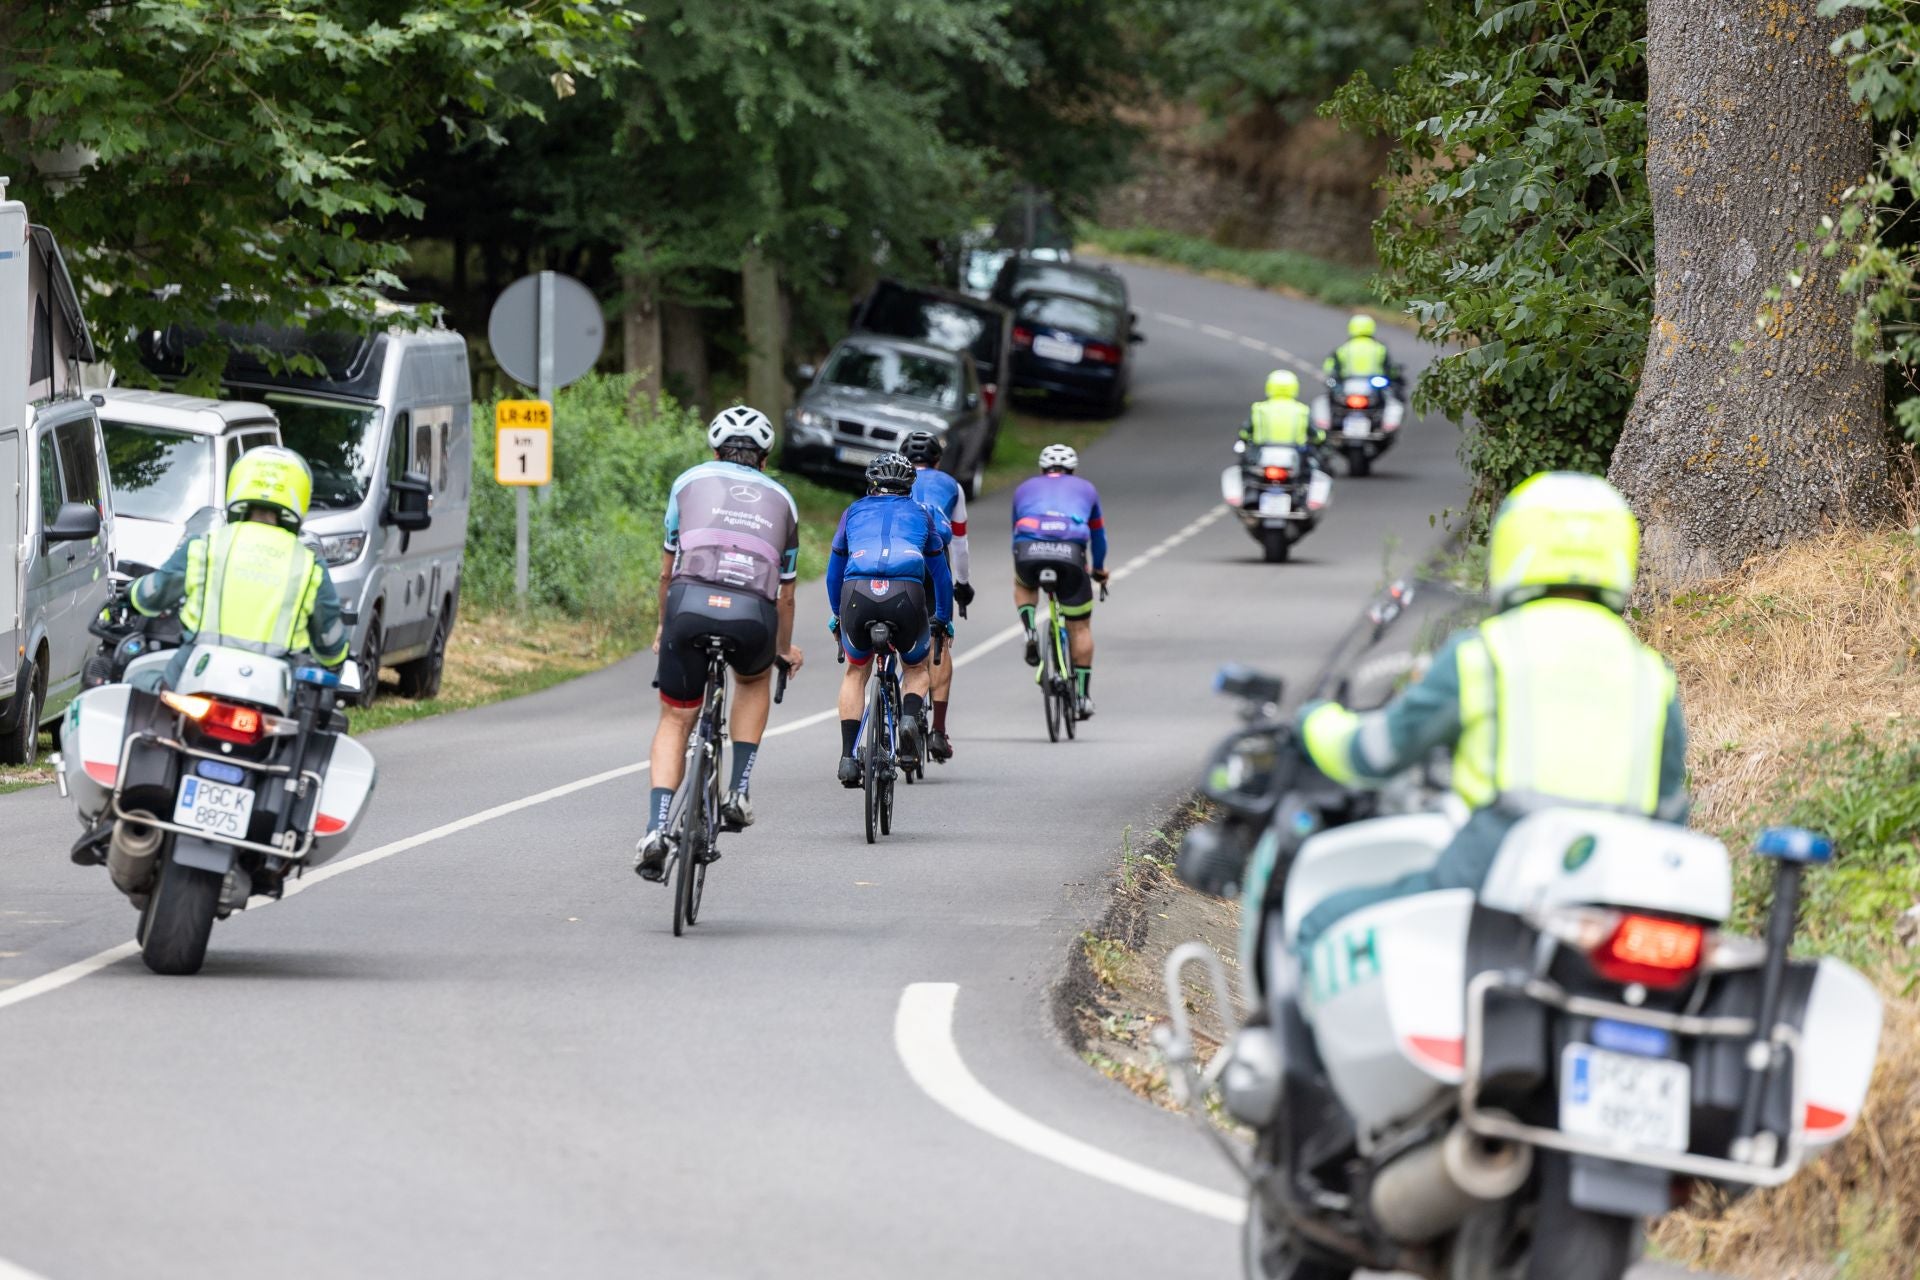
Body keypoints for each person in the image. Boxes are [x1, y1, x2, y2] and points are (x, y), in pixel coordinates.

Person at [1292, 471, 1687, 947]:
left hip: (1488, 883)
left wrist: (1314, 723)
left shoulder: (1485, 655)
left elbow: (1374, 755)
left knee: (1322, 923)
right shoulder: (1652, 676)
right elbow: (1671, 813)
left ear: (1514, 547)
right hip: (1607, 904)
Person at [636, 406, 804, 882]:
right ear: (764, 460)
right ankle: (738, 791)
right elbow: (786, 595)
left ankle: (655, 830)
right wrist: (783, 651)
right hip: (752, 612)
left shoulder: (687, 482)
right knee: (752, 679)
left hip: (688, 603)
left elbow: (667, 571)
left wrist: (664, 626)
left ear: (714, 452)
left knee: (676, 718)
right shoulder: (784, 501)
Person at [129, 446, 349, 690]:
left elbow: (153, 593)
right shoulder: (308, 564)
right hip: (273, 684)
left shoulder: (206, 545)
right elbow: (329, 637)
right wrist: (336, 658)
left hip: (199, 667)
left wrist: (131, 593)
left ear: (237, 485)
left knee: (141, 686)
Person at [828, 452, 953, 787]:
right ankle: (909, 718)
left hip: (857, 593)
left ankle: (847, 758)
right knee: (915, 668)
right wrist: (943, 618)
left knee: (856, 671)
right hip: (905, 594)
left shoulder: (853, 511)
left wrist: (837, 615)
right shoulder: (922, 514)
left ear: (871, 484)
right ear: (909, 487)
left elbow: (834, 571)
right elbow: (941, 576)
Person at [1010, 444, 1107, 719]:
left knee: (1023, 583)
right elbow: (1098, 537)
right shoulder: (1087, 488)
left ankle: (1030, 628)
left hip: (1029, 549)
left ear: (1042, 469)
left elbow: (1015, 534)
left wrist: (1021, 561)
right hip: (1070, 552)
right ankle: (1083, 697)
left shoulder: (1023, 488)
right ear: (1072, 470)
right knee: (1080, 627)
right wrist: (1099, 569)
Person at [903, 430, 972, 761]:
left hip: (893, 562)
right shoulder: (952, 485)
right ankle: (939, 732)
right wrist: (962, 583)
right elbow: (959, 543)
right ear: (937, 461)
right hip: (933, 561)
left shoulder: (888, 480)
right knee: (938, 642)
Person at [1241, 369, 1321, 474]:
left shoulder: (1259, 409)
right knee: (1312, 470)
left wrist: (1246, 439)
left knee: (1245, 469)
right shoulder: (1302, 410)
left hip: (1261, 453)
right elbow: (1317, 435)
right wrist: (1321, 438)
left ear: (1269, 386)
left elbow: (1244, 432)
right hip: (1295, 454)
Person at [1322, 313, 1402, 395]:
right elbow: (1390, 368)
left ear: (1351, 327)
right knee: (1391, 397)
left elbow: (1329, 367)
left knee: (1330, 396)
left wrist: (1334, 377)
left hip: (1348, 384)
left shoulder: (1343, 348)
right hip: (1374, 385)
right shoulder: (1380, 348)